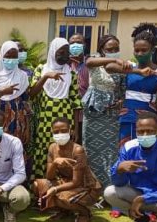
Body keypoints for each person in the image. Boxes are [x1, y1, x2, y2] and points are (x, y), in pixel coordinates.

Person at [28, 37, 81, 179]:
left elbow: (76, 102)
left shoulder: (72, 74)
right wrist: (46, 77)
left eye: (67, 52)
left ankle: (62, 188)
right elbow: (32, 94)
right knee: (44, 152)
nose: (64, 55)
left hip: (65, 119)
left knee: (63, 151)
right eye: (61, 52)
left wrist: (75, 127)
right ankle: (41, 187)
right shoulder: (41, 69)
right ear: (52, 52)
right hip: (44, 121)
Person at [106, 23, 157, 145]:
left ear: (153, 50)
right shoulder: (130, 66)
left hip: (149, 119)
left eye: (144, 50)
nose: (139, 53)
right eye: (136, 50)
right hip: (127, 117)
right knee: (126, 150)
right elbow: (109, 67)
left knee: (147, 152)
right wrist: (137, 71)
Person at [33, 117, 102, 222]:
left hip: (86, 186)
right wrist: (55, 163)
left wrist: (55, 189)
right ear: (52, 132)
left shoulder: (78, 150)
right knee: (39, 185)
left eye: (64, 130)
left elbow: (77, 182)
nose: (60, 134)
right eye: (56, 131)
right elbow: (49, 177)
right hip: (66, 182)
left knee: (61, 197)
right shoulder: (52, 147)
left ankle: (85, 213)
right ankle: (64, 211)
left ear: (71, 131)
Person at [82, 35, 127, 189]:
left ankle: (108, 188)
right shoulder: (95, 62)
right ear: (101, 50)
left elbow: (122, 91)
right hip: (93, 113)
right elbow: (88, 62)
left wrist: (121, 101)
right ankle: (92, 188)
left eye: (116, 49)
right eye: (109, 49)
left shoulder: (122, 67)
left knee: (110, 151)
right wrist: (113, 60)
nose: (114, 52)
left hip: (111, 114)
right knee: (91, 150)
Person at [69, 33, 90, 142]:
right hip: (69, 113)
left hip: (86, 113)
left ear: (84, 45)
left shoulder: (90, 63)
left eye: (79, 43)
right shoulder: (66, 64)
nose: (75, 45)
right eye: (72, 43)